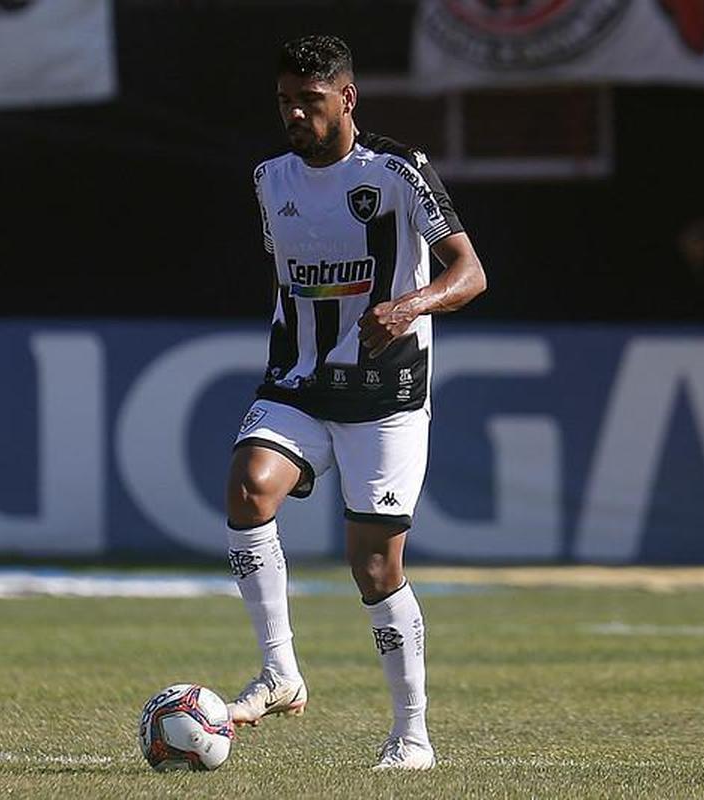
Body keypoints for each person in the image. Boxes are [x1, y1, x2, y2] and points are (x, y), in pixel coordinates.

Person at [224, 34, 486, 771]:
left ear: (347, 98)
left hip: (386, 392)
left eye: (309, 101)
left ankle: (412, 737)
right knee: (248, 489)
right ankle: (280, 673)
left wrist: (409, 306)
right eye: (284, 102)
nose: (295, 115)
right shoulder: (267, 178)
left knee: (372, 569)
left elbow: (470, 274)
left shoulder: (398, 172)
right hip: (300, 381)